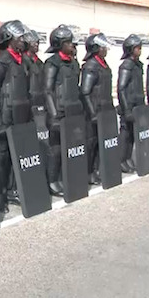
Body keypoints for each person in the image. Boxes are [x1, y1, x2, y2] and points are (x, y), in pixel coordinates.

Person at [0, 20, 30, 213]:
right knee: (0, 158)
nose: (23, 40)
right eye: (19, 38)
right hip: (4, 117)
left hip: (19, 116)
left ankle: (12, 189)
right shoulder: (0, 62)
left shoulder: (21, 61)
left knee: (14, 156)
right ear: (9, 39)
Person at [43, 24, 80, 196]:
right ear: (59, 44)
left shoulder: (73, 62)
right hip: (57, 112)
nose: (72, 45)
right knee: (55, 149)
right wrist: (54, 115)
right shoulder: (52, 63)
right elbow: (47, 90)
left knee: (71, 148)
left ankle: (65, 177)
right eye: (68, 42)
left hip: (72, 111)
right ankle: (52, 180)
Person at [80, 33, 114, 184]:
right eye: (102, 47)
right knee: (91, 143)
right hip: (94, 111)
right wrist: (92, 113)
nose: (105, 49)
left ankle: (96, 169)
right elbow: (85, 91)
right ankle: (88, 172)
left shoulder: (103, 64)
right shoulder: (91, 66)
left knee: (101, 142)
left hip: (105, 109)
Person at [117, 34, 145, 173]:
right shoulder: (126, 65)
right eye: (137, 48)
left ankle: (128, 158)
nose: (140, 50)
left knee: (133, 134)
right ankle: (121, 159)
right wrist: (126, 109)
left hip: (137, 105)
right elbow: (121, 88)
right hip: (129, 105)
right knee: (125, 133)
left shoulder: (138, 65)